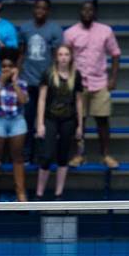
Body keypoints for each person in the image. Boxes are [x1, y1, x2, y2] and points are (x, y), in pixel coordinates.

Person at [64, 1, 120, 170]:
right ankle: (79, 155)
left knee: (102, 120)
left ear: (95, 12)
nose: (87, 12)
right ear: (79, 12)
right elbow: (65, 57)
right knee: (78, 121)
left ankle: (106, 155)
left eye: (90, 10)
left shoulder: (106, 31)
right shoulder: (70, 33)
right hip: (78, 84)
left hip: (100, 82)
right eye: (84, 9)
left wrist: (113, 79)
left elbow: (116, 54)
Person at [35, 45, 83, 201]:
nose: (63, 57)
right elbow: (41, 99)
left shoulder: (76, 76)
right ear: (56, 57)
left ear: (70, 57)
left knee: (63, 156)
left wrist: (80, 125)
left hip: (68, 119)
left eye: (66, 54)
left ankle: (59, 193)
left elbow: (79, 101)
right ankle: (39, 193)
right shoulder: (48, 74)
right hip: (50, 118)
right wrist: (40, 123)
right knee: (47, 155)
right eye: (60, 54)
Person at [18, 0, 61, 163]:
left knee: (47, 122)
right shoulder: (25, 28)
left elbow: (58, 56)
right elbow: (21, 53)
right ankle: (27, 154)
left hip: (47, 83)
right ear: (33, 9)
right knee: (28, 119)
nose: (40, 11)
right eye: (37, 7)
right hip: (28, 81)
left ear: (48, 11)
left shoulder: (54, 29)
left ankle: (44, 154)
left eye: (43, 8)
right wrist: (17, 72)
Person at [0, 46, 28, 202]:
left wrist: (14, 83)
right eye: (4, 66)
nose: (7, 69)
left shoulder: (21, 82)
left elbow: (23, 100)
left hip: (16, 121)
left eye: (10, 66)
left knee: (18, 157)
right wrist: (1, 82)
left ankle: (21, 193)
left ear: (14, 67)